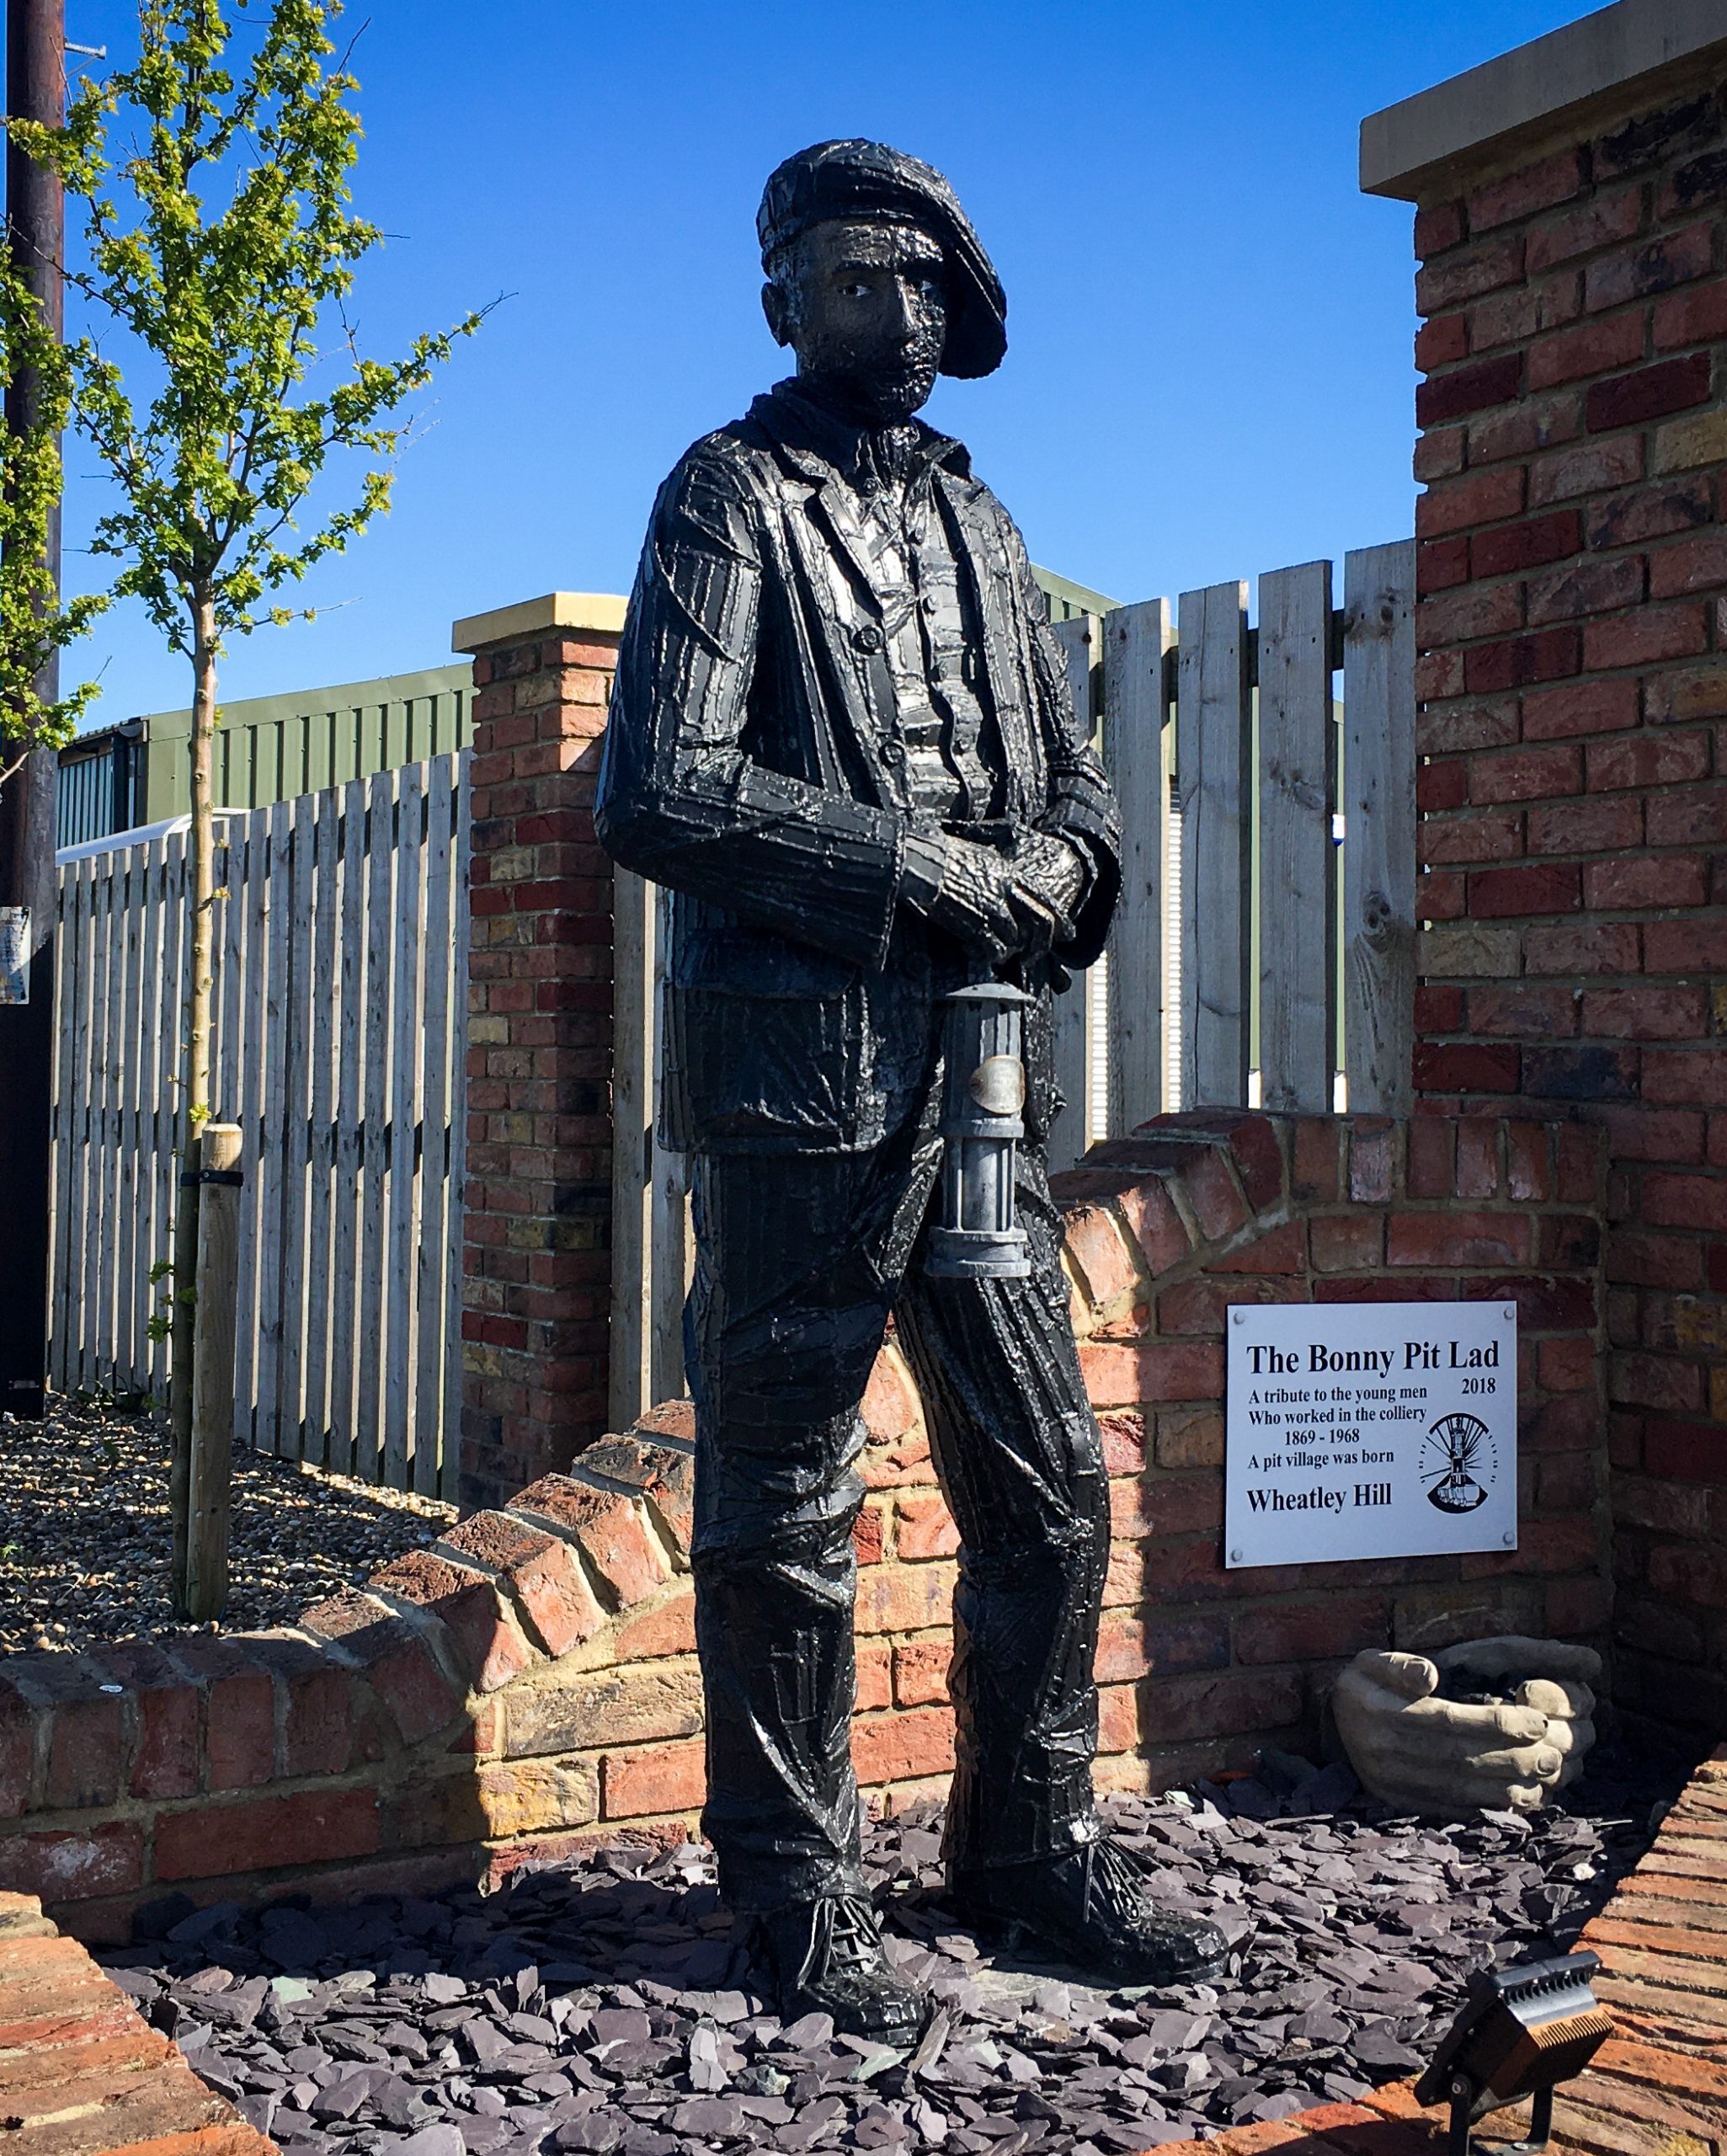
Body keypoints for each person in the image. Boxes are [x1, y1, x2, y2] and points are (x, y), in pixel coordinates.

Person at [595, 139, 1228, 2038]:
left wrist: (1066, 870)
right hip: (800, 1085)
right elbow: (658, 785)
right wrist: (918, 869)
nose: (908, 310)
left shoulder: (985, 523)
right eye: (867, 276)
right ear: (784, 298)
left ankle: (1025, 1846)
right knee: (783, 1498)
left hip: (980, 1088)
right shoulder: (729, 495)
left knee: (1049, 1486)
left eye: (930, 281)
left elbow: (1075, 782)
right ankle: (795, 1888)